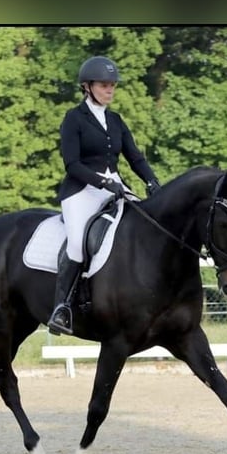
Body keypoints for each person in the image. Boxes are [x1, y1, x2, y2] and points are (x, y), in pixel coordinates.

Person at [47, 55, 161, 336]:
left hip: (116, 187)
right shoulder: (74, 118)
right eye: (104, 85)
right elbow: (72, 164)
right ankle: (63, 308)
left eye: (113, 85)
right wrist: (102, 182)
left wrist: (152, 182)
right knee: (76, 243)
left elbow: (135, 157)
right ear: (87, 87)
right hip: (82, 192)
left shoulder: (116, 119)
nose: (110, 90)